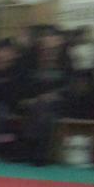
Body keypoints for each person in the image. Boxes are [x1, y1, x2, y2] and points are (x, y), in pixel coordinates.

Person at [18, 27, 69, 166]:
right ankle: (39, 153)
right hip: (34, 103)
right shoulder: (30, 61)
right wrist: (32, 99)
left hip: (58, 103)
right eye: (45, 38)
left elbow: (69, 87)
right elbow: (24, 86)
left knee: (45, 111)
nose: (48, 44)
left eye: (52, 38)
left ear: (59, 42)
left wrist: (54, 95)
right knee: (43, 112)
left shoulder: (66, 62)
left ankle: (32, 145)